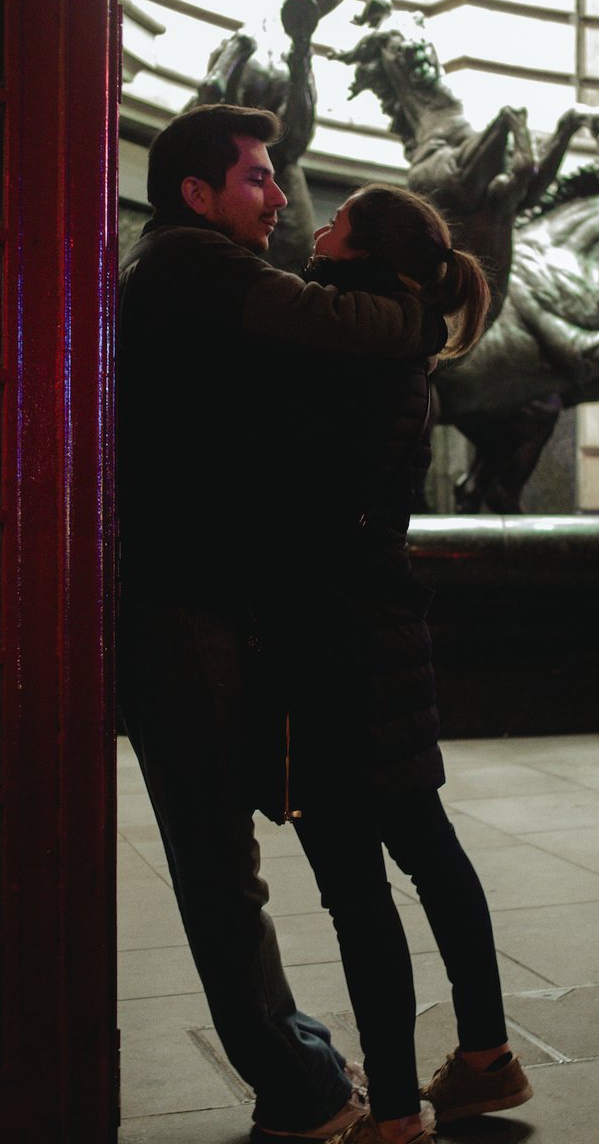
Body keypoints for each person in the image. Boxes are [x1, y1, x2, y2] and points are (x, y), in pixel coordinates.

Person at [115, 104, 448, 1143]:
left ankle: (292, 1050)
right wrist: (426, 314)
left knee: (227, 858)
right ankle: (296, 1086)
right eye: (259, 177)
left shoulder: (184, 269)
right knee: (220, 865)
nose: (278, 196)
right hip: (184, 614)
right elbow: (334, 321)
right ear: (198, 193)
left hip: (195, 604)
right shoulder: (192, 264)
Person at [247, 184, 533, 1144]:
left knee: (352, 879)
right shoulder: (398, 339)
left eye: (331, 225)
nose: (312, 229)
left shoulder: (342, 339)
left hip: (325, 638)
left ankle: (398, 1110)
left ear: (362, 251)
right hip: (382, 625)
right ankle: (485, 1058)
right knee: (428, 848)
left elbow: (283, 476)